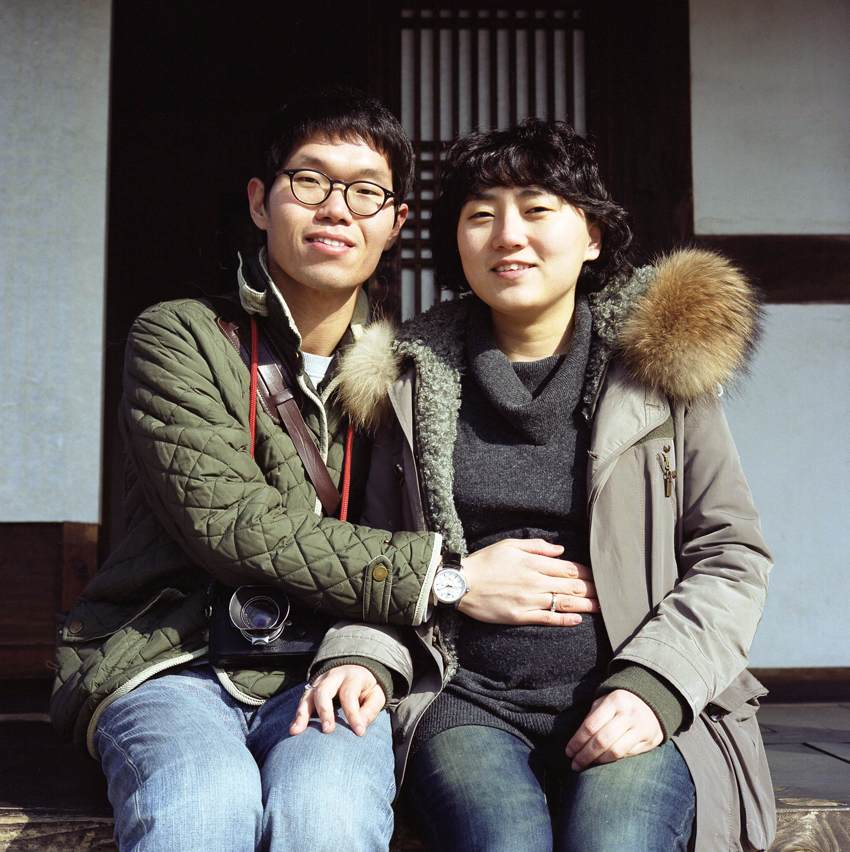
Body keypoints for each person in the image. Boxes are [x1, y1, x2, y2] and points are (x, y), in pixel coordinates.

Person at [49, 90, 599, 852]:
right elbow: (233, 525)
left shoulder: (412, 372)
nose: (337, 208)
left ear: (396, 223)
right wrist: (448, 579)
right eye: (309, 181)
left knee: (329, 816)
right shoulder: (179, 337)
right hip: (173, 659)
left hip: (333, 666)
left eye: (366, 191)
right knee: (202, 805)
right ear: (260, 201)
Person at [307, 118, 775, 852]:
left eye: (536, 209)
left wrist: (654, 687)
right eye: (481, 214)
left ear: (592, 235)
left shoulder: (660, 370)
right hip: (464, 698)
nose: (507, 235)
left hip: (632, 693)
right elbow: (378, 556)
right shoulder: (406, 382)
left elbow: (731, 555)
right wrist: (362, 653)